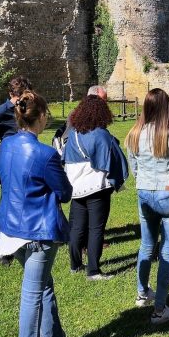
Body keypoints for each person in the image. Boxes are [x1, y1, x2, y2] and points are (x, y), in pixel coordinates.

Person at [0, 90, 71, 337]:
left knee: (43, 286)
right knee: (32, 296)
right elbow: (65, 193)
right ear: (41, 116)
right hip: (36, 232)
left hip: (10, 229)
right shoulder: (45, 154)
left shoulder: (7, 145)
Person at [125, 88, 169, 325]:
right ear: (166, 107)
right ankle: (159, 309)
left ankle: (142, 292)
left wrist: (142, 181)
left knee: (146, 245)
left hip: (145, 192)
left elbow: (133, 164)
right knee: (167, 252)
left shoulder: (134, 132)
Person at [62, 95, 128, 280]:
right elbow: (114, 158)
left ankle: (75, 265)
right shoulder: (101, 134)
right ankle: (93, 271)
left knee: (76, 228)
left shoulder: (72, 133)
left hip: (75, 187)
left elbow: (64, 158)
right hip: (97, 188)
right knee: (96, 229)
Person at [52, 85, 107, 155]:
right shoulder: (77, 115)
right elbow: (67, 139)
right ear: (91, 99)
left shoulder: (100, 116)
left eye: (106, 100)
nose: (105, 104)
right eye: (102, 100)